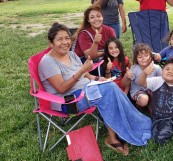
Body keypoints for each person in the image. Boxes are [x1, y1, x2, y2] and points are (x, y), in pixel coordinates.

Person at [39, 23, 152, 156]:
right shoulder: (48, 62)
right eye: (60, 39)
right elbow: (62, 88)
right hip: (69, 101)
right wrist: (82, 70)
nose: (65, 42)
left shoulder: (72, 55)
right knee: (108, 91)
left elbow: (87, 75)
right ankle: (121, 133)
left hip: (87, 89)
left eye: (67, 38)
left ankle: (127, 127)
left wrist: (98, 79)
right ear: (51, 42)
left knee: (109, 87)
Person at [122, 43, 162, 108]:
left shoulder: (156, 68)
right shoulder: (134, 69)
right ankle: (139, 105)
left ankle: (151, 103)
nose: (143, 58)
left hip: (152, 90)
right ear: (136, 59)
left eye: (146, 55)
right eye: (140, 57)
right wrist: (126, 76)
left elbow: (162, 82)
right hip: (138, 91)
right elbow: (123, 85)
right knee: (144, 100)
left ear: (150, 56)